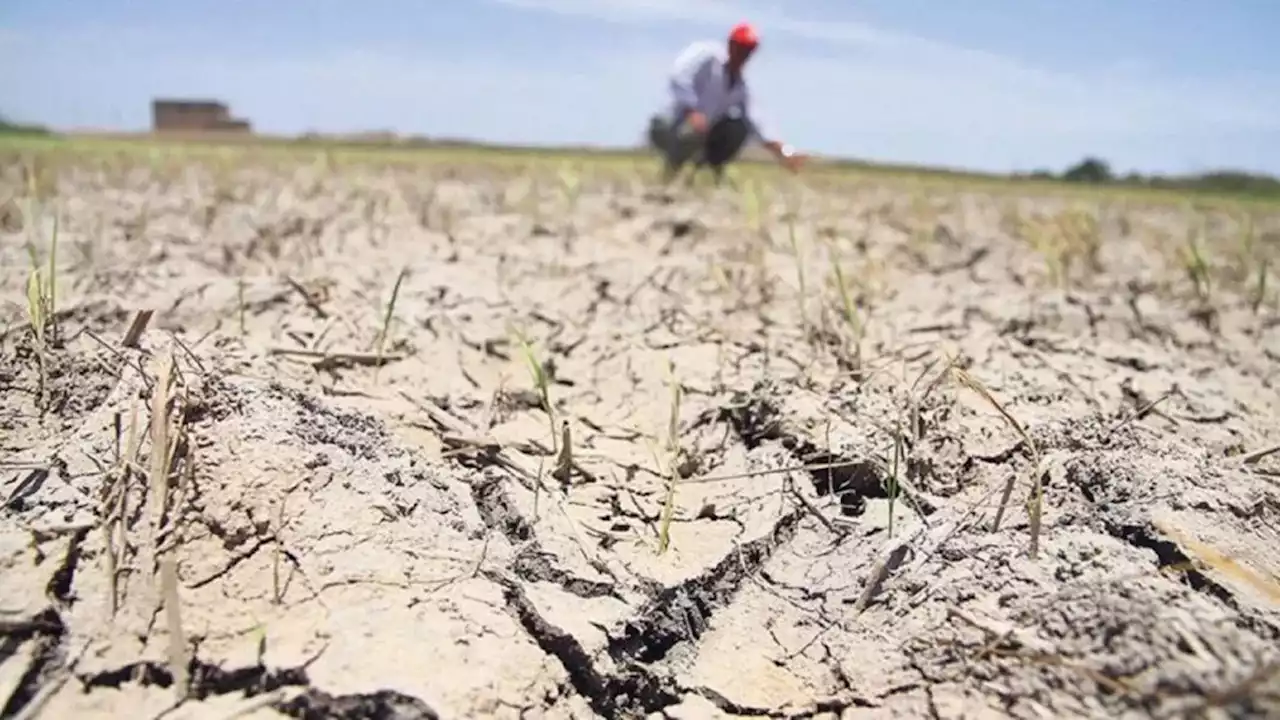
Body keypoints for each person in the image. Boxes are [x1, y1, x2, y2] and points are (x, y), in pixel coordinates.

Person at [647, 22, 805, 184]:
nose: (743, 54)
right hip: (669, 124)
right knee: (692, 129)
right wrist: (691, 110)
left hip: (701, 135)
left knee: (738, 127)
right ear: (730, 43)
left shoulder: (740, 88)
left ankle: (706, 173)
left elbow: (757, 121)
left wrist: (784, 151)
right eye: (740, 47)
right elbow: (678, 77)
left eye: (749, 50)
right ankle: (669, 175)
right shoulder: (706, 54)